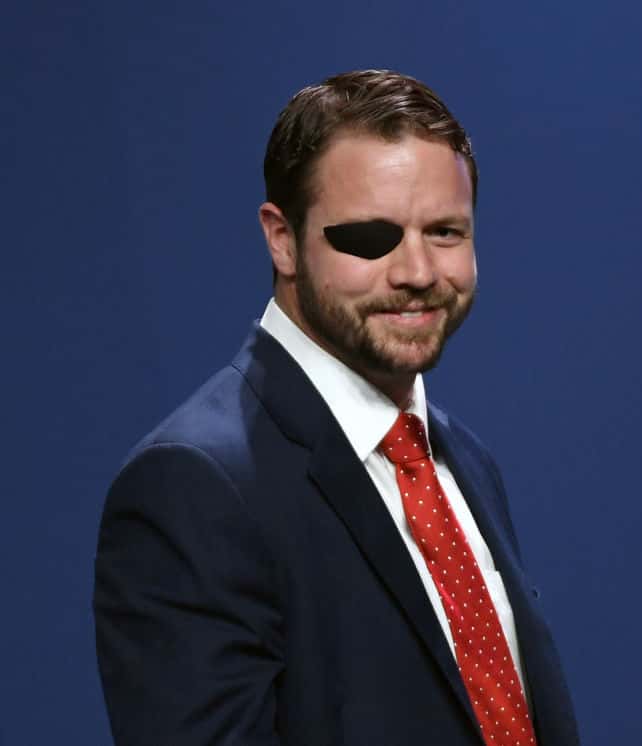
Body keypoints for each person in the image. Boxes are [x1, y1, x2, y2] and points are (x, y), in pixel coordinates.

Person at [93, 70, 579, 746]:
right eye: (370, 236)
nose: (416, 271)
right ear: (282, 239)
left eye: (444, 232)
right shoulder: (192, 487)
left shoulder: (463, 463)